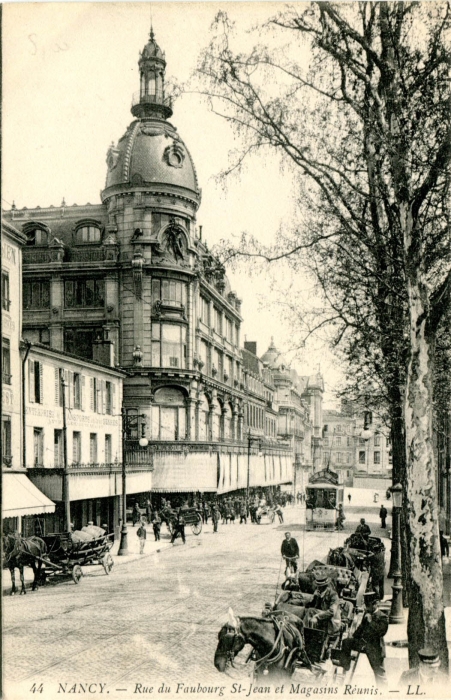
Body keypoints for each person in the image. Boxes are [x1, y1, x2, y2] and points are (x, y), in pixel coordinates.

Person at [339, 591, 388, 686]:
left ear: (375, 604)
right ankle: (346, 666)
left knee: (379, 673)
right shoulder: (367, 613)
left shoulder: (383, 617)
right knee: (346, 642)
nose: (366, 607)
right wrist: (353, 637)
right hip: (363, 643)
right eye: (366, 605)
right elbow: (361, 628)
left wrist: (370, 622)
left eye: (368, 605)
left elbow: (380, 632)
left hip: (375, 648)